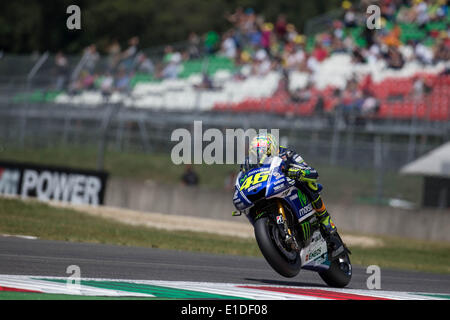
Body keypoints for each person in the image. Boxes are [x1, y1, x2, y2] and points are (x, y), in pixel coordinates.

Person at [241, 133, 344, 257]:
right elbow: (242, 177)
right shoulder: (248, 163)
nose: (259, 156)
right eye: (256, 153)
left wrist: (298, 171)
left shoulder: (287, 154)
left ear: (271, 148)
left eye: (263, 152)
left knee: (309, 184)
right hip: (267, 188)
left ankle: (325, 219)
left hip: (290, 185)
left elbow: (311, 171)